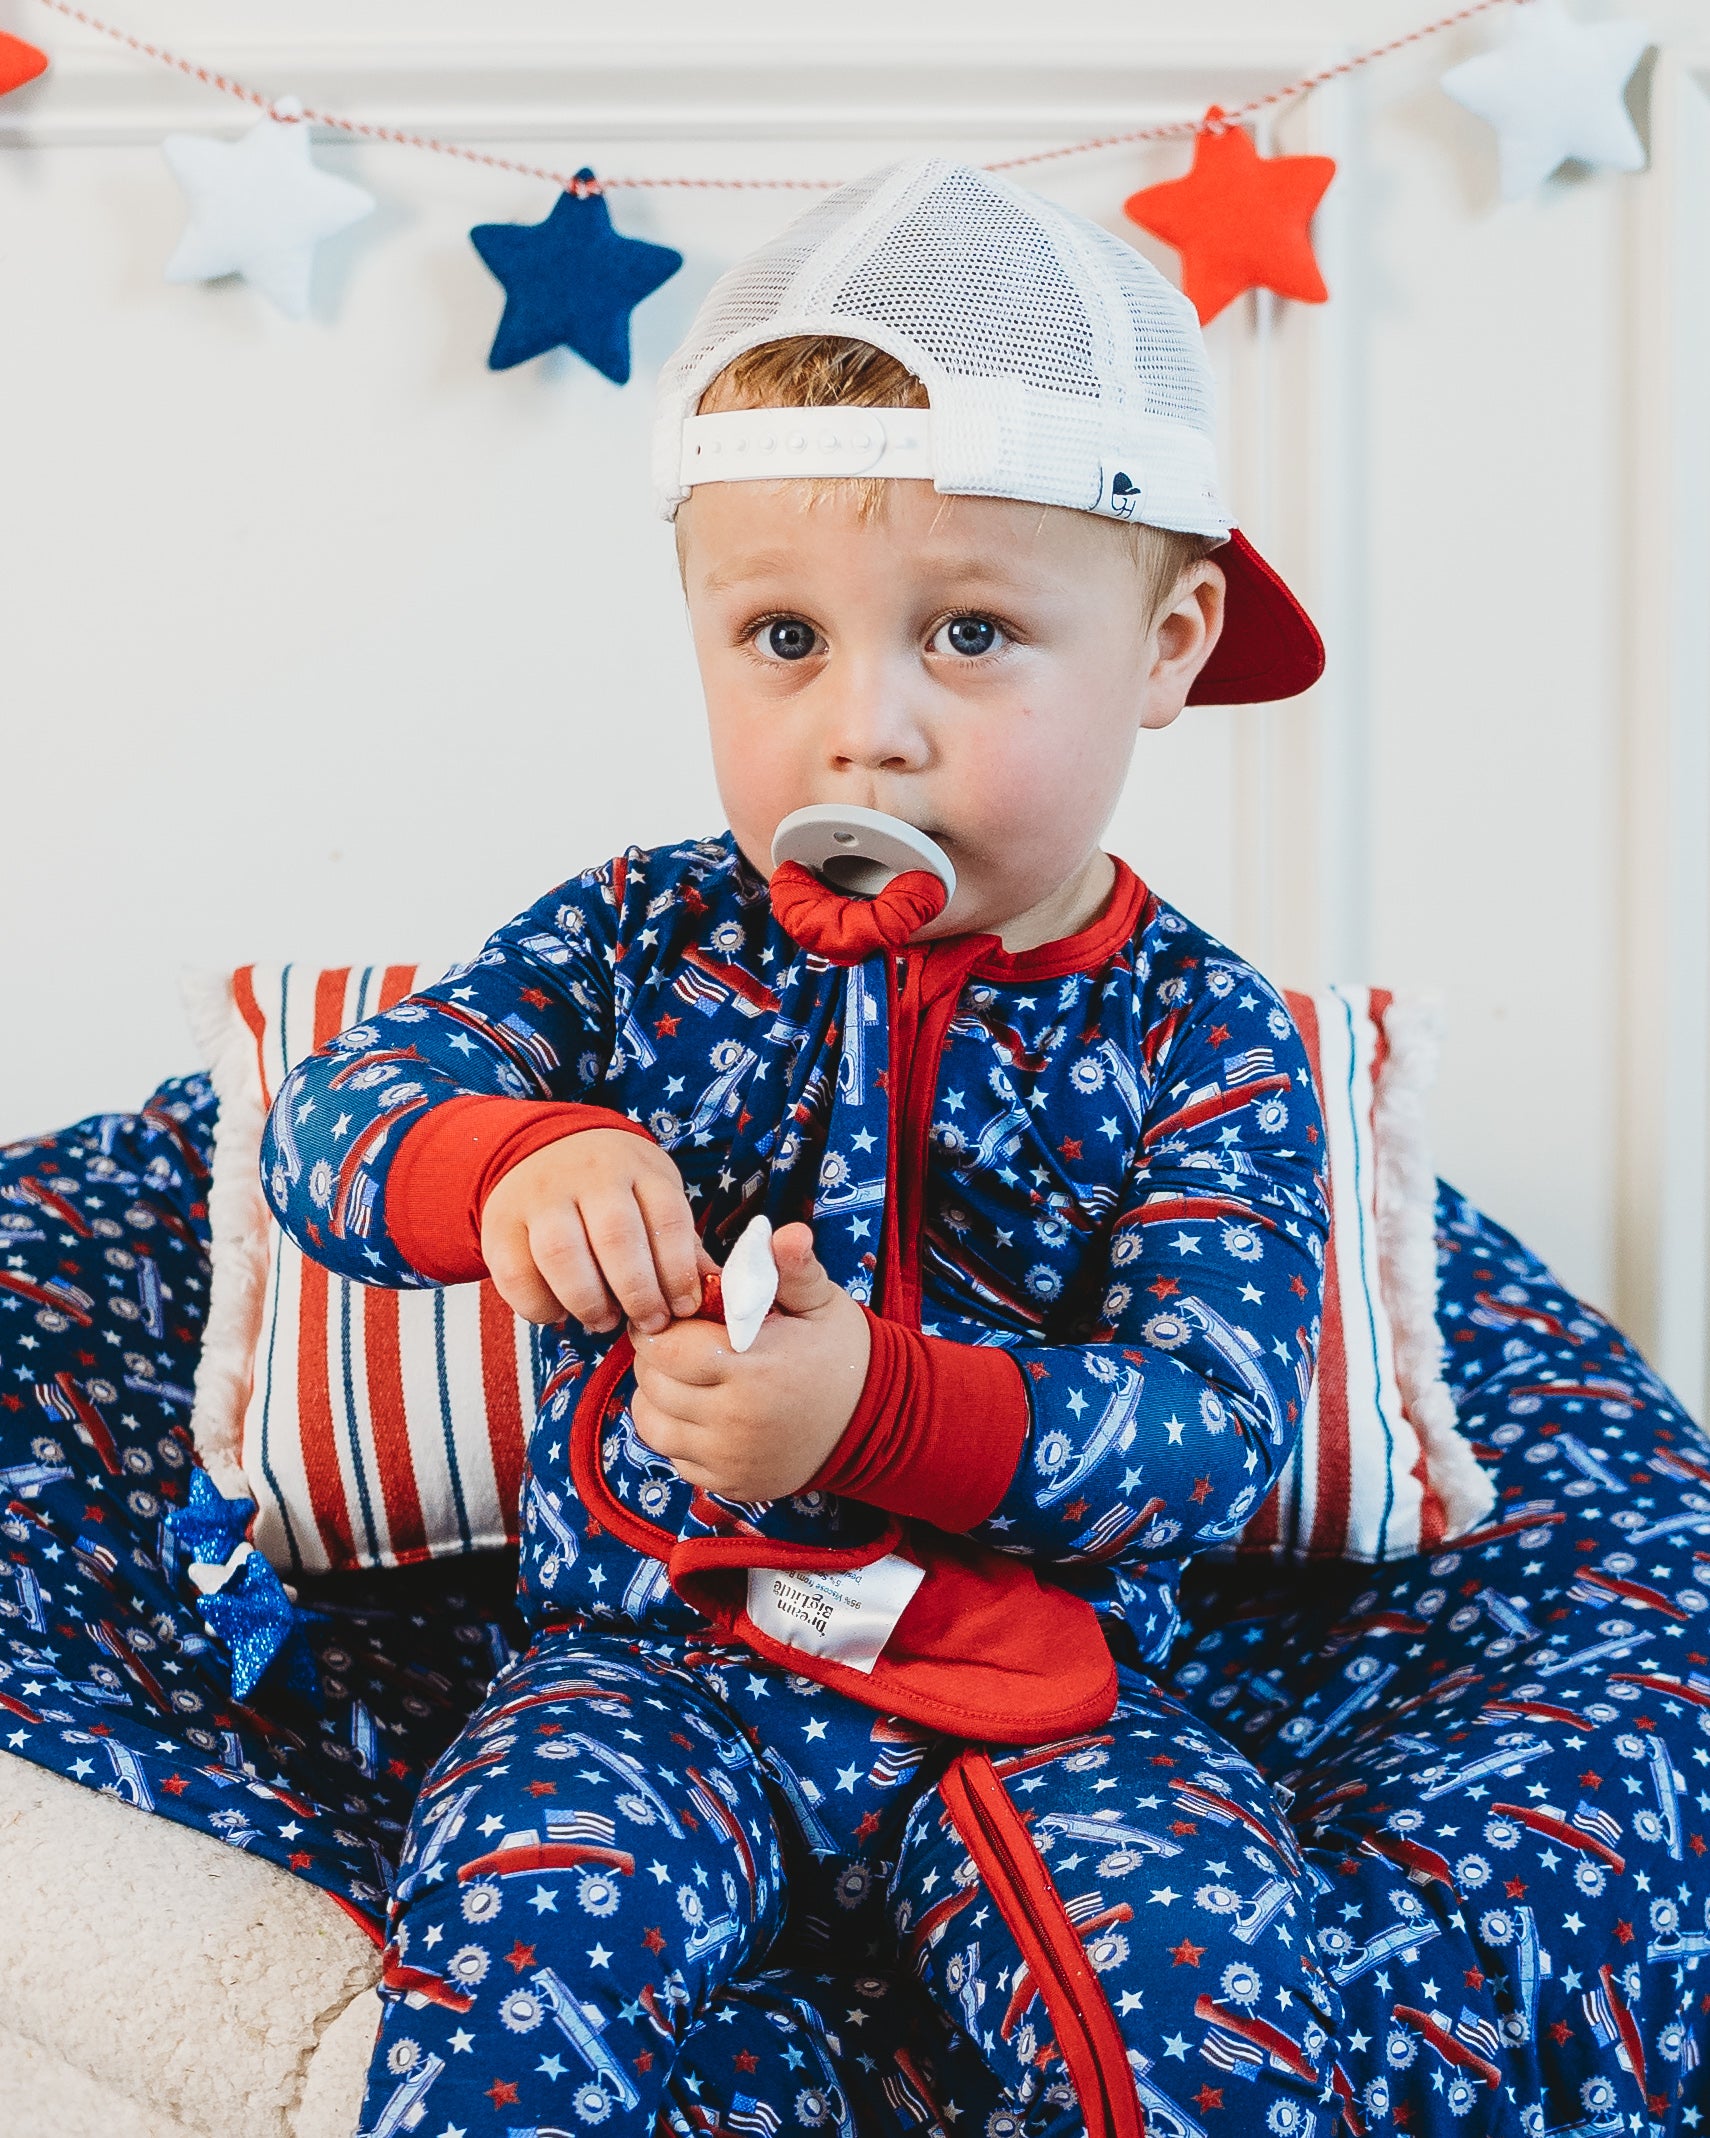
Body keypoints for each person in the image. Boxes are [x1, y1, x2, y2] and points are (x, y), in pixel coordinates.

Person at [264, 153, 1341, 2138]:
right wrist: (509, 1159)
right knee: (518, 1947)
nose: (867, 730)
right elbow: (332, 1126)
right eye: (781, 637)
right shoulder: (636, 933)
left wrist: (875, 1411)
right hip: (649, 1662)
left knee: (1207, 2005)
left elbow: (1214, 1430)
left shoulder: (1204, 1033)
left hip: (1044, 1697)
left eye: (971, 634)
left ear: (1170, 643)